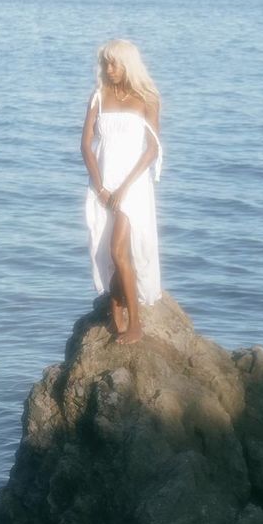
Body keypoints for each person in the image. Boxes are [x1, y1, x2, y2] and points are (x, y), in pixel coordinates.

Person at [81, 39, 162, 344]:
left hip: (133, 185)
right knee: (107, 251)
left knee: (120, 250)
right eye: (105, 63)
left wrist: (124, 188)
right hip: (103, 184)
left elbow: (152, 149)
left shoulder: (147, 98)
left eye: (114, 63)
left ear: (128, 64)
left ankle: (135, 322)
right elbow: (85, 144)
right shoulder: (98, 97)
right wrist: (100, 186)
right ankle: (116, 307)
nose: (108, 69)